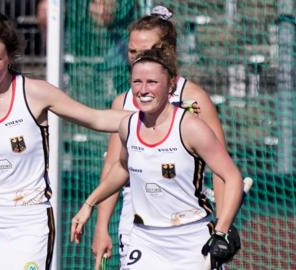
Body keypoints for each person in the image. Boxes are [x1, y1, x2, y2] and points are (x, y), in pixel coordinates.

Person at [0, 14, 129, 270]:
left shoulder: (34, 93)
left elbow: (96, 118)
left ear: (10, 58)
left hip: (30, 221)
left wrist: (156, 118)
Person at [71, 45, 244, 269]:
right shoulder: (128, 126)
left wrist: (221, 233)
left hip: (191, 239)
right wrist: (89, 203)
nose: (143, 90)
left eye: (152, 82)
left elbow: (232, 177)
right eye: (137, 82)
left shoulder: (190, 127)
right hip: (145, 239)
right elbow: (123, 168)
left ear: (170, 85)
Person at [91, 6, 228, 268]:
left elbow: (221, 171)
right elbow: (113, 167)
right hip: (138, 222)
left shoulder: (194, 99)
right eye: (132, 52)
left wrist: (222, 228)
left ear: (168, 53)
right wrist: (101, 225)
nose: (136, 59)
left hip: (188, 224)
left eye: (146, 52)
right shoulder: (123, 102)